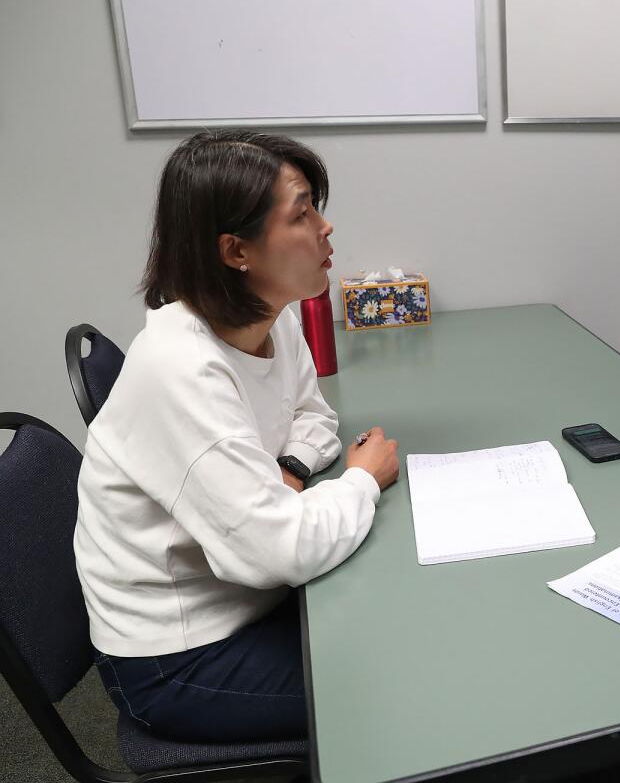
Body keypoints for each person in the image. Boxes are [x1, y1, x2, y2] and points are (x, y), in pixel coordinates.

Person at [75, 131, 400, 743]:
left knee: (403, 622)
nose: (326, 228)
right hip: (178, 658)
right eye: (303, 212)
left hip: (252, 600)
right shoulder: (181, 367)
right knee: (401, 679)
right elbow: (278, 551)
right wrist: (361, 479)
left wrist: (290, 472)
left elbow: (315, 416)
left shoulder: (268, 316)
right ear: (235, 251)